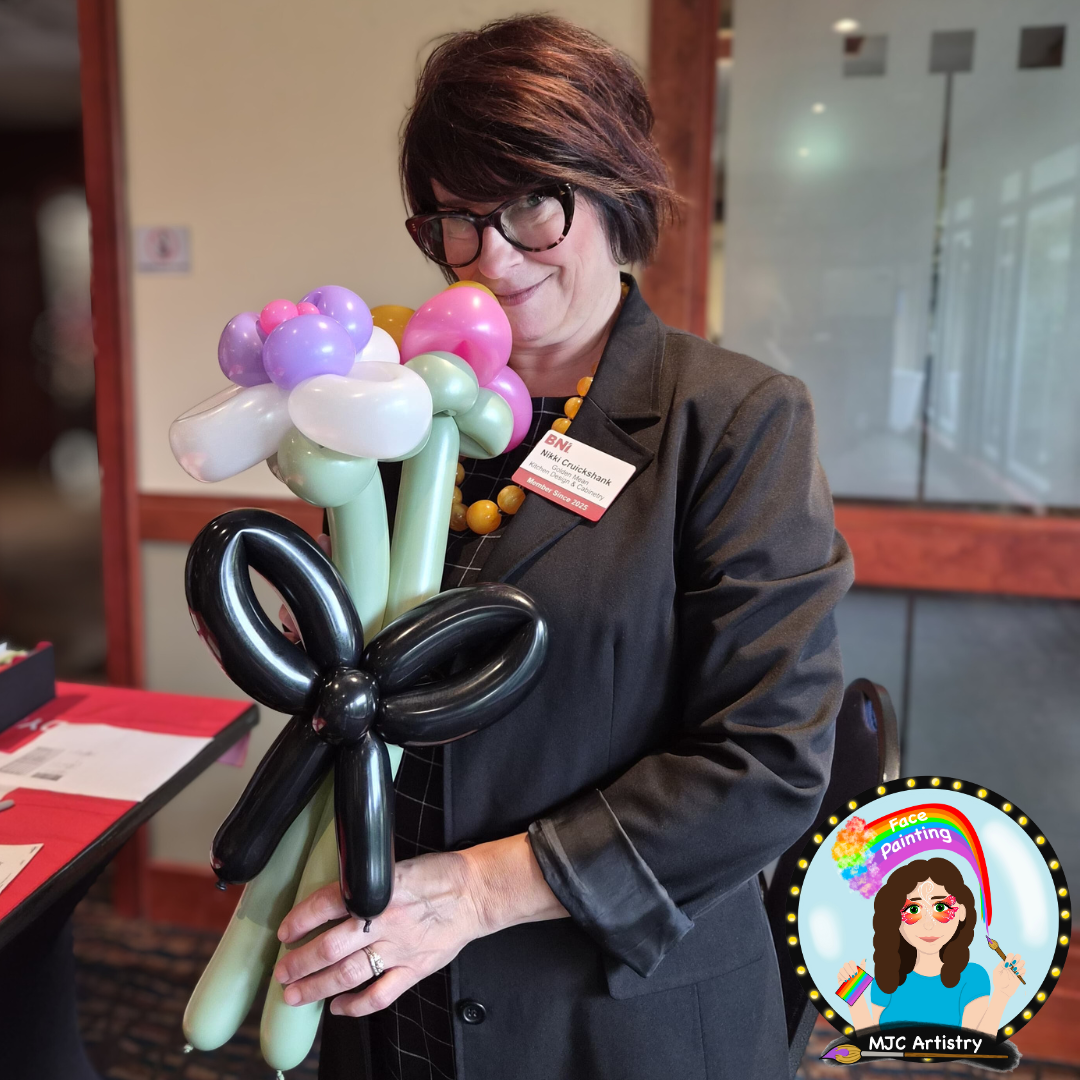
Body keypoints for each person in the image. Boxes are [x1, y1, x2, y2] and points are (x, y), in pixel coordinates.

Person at [273, 15, 853, 1080]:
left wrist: (480, 893)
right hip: (391, 982)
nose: (490, 254)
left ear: (611, 187)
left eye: (530, 203)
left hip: (611, 1009)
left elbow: (768, 761)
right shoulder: (401, 414)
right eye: (454, 216)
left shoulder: (730, 420)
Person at [838, 857, 1025, 1033]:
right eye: (913, 910)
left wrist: (1002, 995)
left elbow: (975, 1047)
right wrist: (854, 994)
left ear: (961, 912)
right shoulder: (886, 977)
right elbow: (872, 1044)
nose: (928, 924)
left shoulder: (974, 978)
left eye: (941, 908)